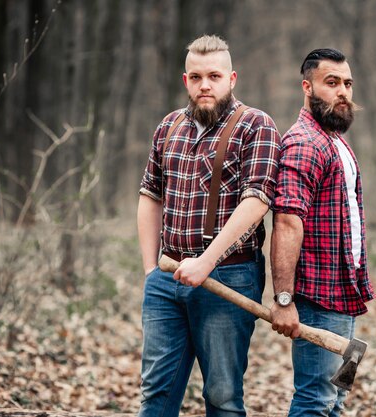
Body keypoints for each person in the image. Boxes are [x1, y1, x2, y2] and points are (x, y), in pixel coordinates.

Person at [137, 34, 280, 417]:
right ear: (185, 81)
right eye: (196, 76)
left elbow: (257, 201)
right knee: (155, 394)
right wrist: (152, 270)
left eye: (214, 76)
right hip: (167, 278)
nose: (205, 85)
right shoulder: (169, 127)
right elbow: (150, 195)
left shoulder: (256, 126)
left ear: (232, 79)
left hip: (229, 280)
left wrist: (207, 261)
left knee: (222, 397)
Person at [270, 48, 376, 416]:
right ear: (307, 87)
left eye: (347, 83)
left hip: (344, 294)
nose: (343, 91)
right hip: (319, 299)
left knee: (336, 399)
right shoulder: (304, 142)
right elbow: (286, 220)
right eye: (331, 83)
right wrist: (284, 300)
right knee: (315, 399)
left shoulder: (335, 141)